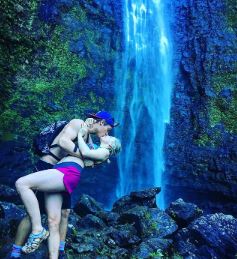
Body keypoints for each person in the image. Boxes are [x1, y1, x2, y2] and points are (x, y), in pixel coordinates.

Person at [10, 111, 119, 259]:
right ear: (101, 123)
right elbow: (64, 142)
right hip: (48, 167)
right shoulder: (78, 123)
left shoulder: (87, 137)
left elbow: (88, 157)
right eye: (108, 128)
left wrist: (93, 156)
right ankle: (15, 252)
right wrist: (86, 156)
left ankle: (57, 252)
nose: (108, 132)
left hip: (62, 172)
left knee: (63, 213)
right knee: (31, 214)